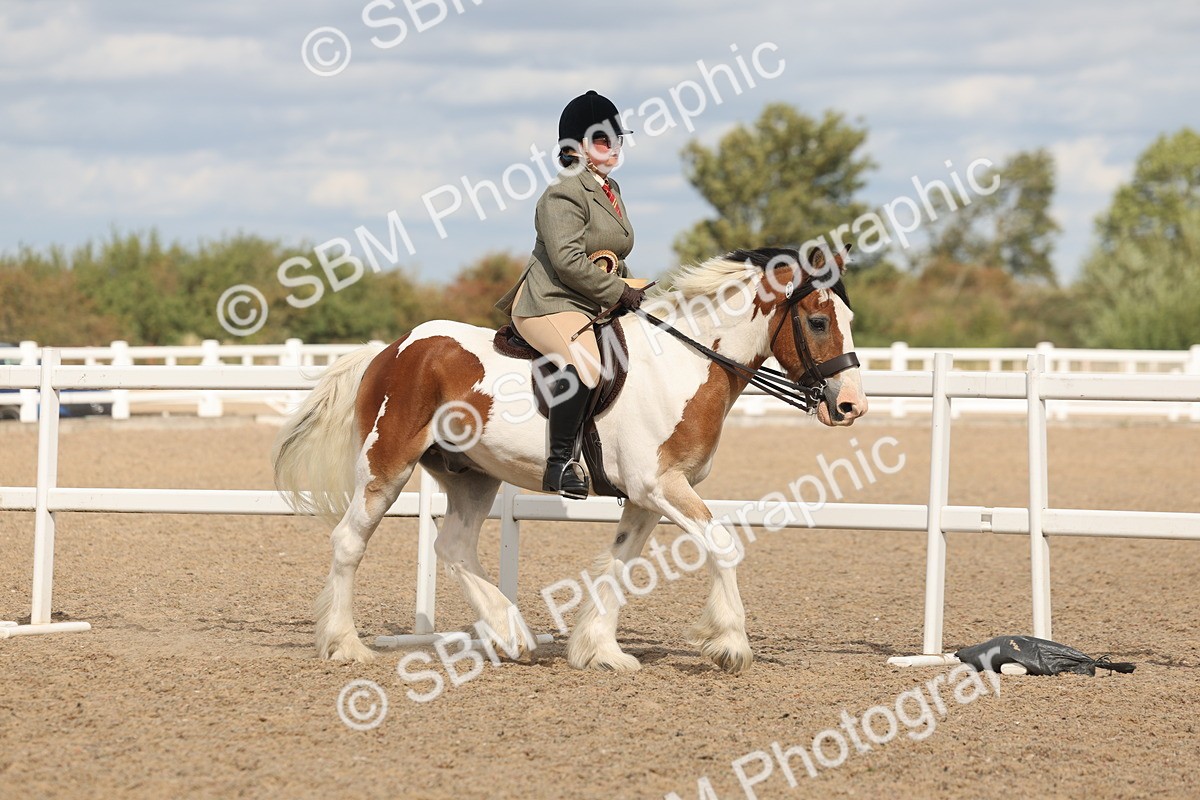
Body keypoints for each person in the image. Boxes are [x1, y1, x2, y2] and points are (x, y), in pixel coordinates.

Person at [494, 90, 646, 499]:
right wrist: (616, 290)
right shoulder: (563, 193)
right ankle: (559, 464)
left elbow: (609, 257)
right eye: (602, 139)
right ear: (576, 147)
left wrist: (637, 289)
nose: (613, 147)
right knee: (587, 364)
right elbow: (567, 261)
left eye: (618, 138)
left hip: (591, 301)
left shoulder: (610, 189)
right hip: (550, 303)